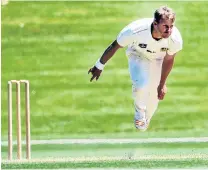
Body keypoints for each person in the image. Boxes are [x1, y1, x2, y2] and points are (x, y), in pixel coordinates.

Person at [88, 6, 183, 131]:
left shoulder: (174, 39)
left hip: (158, 59)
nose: (169, 30)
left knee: (155, 95)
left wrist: (162, 84)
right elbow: (115, 46)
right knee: (142, 84)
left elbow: (169, 60)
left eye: (171, 26)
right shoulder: (134, 30)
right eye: (165, 26)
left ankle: (146, 119)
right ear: (155, 23)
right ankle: (139, 113)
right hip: (138, 54)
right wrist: (99, 65)